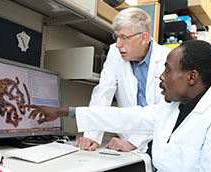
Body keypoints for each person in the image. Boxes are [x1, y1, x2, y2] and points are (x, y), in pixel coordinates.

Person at [28, 40, 211, 171]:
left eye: (167, 70)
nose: (161, 77)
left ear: (192, 77)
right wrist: (65, 111)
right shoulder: (173, 107)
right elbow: (126, 117)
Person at [73, 7, 171, 152]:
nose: (118, 44)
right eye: (117, 36)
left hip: (159, 140)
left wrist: (134, 142)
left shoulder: (167, 58)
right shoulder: (115, 52)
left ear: (143, 38)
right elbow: (103, 93)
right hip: (126, 140)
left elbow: (164, 110)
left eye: (124, 37)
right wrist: (91, 136)